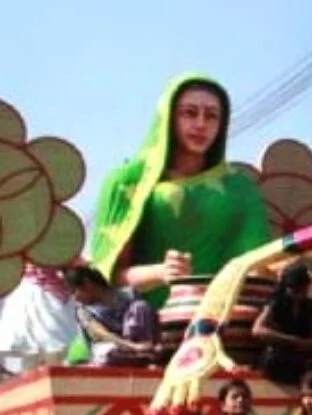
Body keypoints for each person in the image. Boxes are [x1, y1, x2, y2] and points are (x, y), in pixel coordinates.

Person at [88, 74, 271, 310]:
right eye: (189, 113)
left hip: (221, 324)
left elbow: (257, 266)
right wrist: (159, 272)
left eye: (212, 116)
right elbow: (105, 278)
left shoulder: (239, 189)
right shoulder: (126, 182)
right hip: (142, 329)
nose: (201, 124)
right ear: (168, 118)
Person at [63, 265, 160, 367]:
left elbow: (150, 320)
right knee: (110, 352)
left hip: (141, 346)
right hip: (114, 349)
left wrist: (153, 344)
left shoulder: (128, 295)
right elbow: (104, 335)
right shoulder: (83, 311)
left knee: (140, 306)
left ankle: (149, 357)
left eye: (74, 291)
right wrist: (133, 347)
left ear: (87, 284)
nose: (75, 298)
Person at [253, 263, 312, 385]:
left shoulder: (310, 306)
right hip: (278, 354)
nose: (299, 294)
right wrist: (291, 340)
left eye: (302, 289)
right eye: (295, 290)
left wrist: (309, 343)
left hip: (302, 356)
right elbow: (257, 330)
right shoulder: (276, 302)